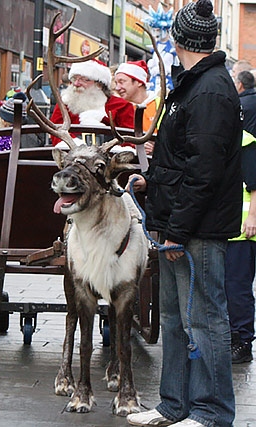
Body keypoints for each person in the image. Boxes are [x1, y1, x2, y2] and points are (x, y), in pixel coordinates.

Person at [126, 0, 241, 425]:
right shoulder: (194, 85)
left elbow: (204, 169)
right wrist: (150, 183)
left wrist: (176, 229)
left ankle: (210, 412)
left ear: (179, 40)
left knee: (205, 319)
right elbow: (184, 160)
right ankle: (174, 404)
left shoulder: (208, 89)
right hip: (179, 221)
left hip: (196, 229)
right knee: (174, 318)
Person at [224, 70, 256, 364]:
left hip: (243, 228)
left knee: (237, 287)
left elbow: (253, 181)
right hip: (233, 226)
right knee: (234, 287)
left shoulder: (245, 139)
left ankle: (242, 341)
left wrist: (252, 218)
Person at [49, 59, 134, 148]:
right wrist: (75, 145)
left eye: (84, 79)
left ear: (99, 84)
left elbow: (129, 140)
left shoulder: (121, 106)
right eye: (74, 79)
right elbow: (56, 133)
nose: (77, 84)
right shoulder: (65, 103)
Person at [114, 60, 158, 154]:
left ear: (139, 82)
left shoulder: (161, 105)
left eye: (122, 82)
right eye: (116, 83)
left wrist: (156, 148)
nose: (117, 88)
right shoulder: (117, 108)